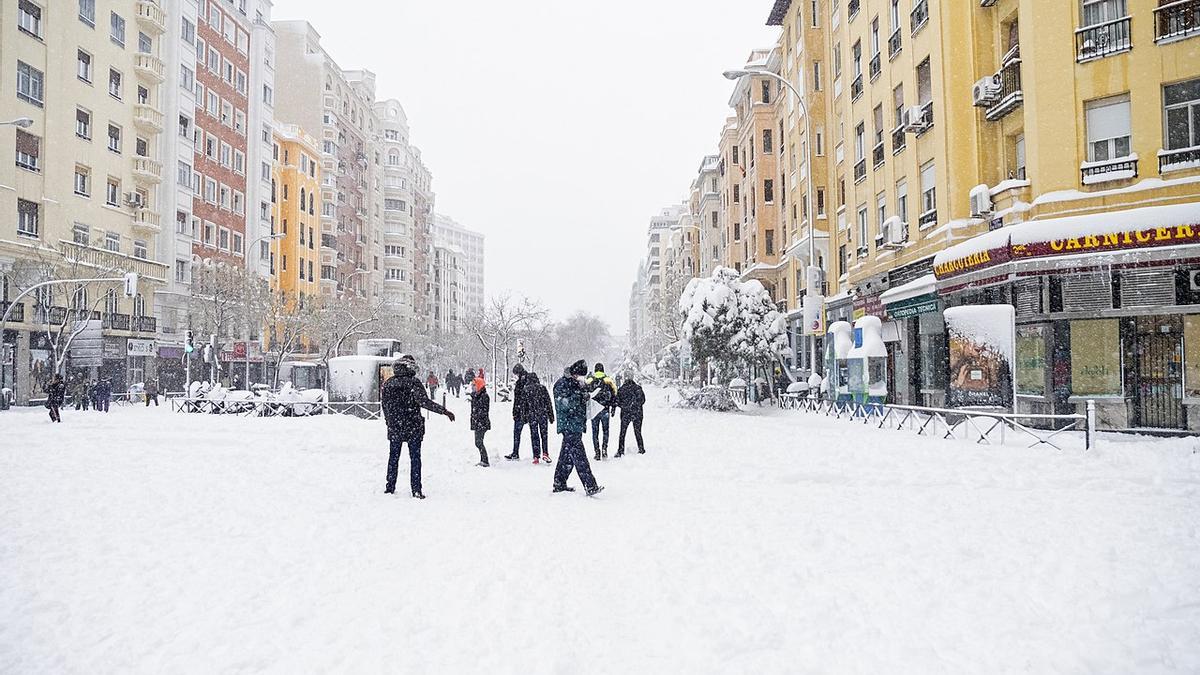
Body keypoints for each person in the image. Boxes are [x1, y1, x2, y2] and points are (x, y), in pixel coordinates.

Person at [382, 355, 455, 498]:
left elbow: (385, 405)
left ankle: (390, 487)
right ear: (410, 368)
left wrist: (389, 422)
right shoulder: (413, 383)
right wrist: (444, 411)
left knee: (393, 457)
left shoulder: (389, 383)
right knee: (415, 458)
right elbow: (424, 402)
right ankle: (416, 489)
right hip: (413, 426)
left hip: (395, 426)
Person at [552, 359, 603, 496]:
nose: (580, 378)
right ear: (574, 372)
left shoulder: (576, 383)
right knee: (579, 456)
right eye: (579, 375)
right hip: (569, 425)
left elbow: (580, 396)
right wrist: (581, 397)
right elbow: (564, 403)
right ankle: (590, 485)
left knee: (567, 455)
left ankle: (559, 482)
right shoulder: (561, 384)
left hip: (576, 424)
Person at [505, 363, 539, 460]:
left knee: (517, 432)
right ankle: (536, 454)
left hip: (521, 411)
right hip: (531, 411)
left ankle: (515, 452)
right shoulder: (531, 380)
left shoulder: (521, 382)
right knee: (534, 433)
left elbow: (517, 399)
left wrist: (515, 412)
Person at [587, 363, 618, 460]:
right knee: (605, 431)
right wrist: (613, 408)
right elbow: (614, 393)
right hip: (605, 409)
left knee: (595, 432)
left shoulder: (590, 380)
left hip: (594, 411)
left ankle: (597, 452)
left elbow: (586, 394)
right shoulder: (608, 380)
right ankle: (604, 449)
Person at [615, 372, 646, 457]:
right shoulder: (638, 388)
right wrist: (635, 405)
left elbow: (617, 402)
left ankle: (620, 450)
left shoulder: (621, 389)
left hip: (626, 413)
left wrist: (624, 406)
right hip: (637, 413)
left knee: (622, 432)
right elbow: (643, 400)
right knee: (638, 432)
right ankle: (641, 448)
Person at [526, 372, 554, 464]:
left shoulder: (526, 389)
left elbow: (524, 405)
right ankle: (545, 453)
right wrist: (551, 415)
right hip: (543, 414)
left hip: (532, 415)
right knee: (544, 435)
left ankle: (536, 456)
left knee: (534, 435)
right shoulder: (542, 388)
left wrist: (524, 417)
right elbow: (548, 402)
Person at [470, 375, 492, 467]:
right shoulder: (477, 395)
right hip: (478, 422)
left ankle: (485, 460)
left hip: (482, 423)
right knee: (478, 442)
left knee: (478, 442)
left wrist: (476, 417)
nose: (472, 387)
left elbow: (483, 410)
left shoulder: (484, 396)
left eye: (474, 385)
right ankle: (483, 460)